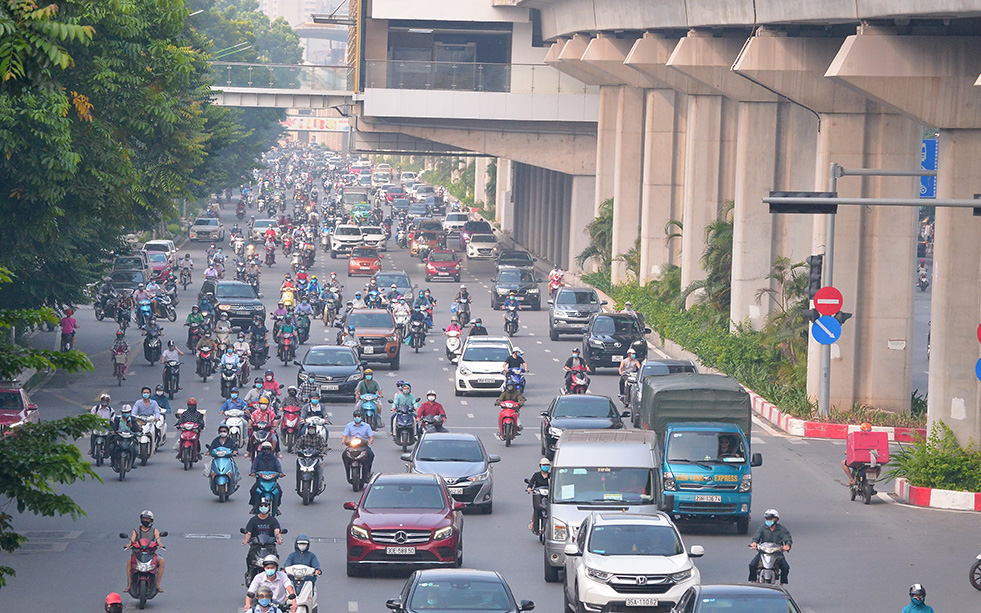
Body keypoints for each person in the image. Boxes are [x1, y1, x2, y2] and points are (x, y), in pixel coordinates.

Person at [125, 510, 165, 593]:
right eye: (144, 518)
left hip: (151, 553)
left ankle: (157, 584)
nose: (145, 520)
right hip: (138, 554)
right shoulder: (136, 530)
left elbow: (158, 540)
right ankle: (129, 584)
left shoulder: (155, 531)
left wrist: (160, 545)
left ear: (151, 521)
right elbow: (132, 540)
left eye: (147, 519)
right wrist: (129, 545)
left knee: (161, 561)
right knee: (129, 562)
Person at [748, 509, 792, 584]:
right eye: (767, 519)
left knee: (785, 567)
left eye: (770, 519)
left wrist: (787, 545)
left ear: (776, 519)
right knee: (752, 565)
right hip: (763, 553)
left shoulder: (782, 529)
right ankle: (753, 582)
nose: (768, 520)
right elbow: (756, 537)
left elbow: (788, 539)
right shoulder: (762, 528)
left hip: (777, 554)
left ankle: (782, 584)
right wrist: (754, 543)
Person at [242, 505, 283, 569]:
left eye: (266, 506)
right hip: (256, 546)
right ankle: (249, 572)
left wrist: (279, 538)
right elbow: (248, 533)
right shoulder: (253, 520)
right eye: (261, 505)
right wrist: (245, 540)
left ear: (269, 507)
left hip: (269, 546)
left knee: (275, 557)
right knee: (249, 557)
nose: (264, 507)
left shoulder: (273, 520)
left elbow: (277, 531)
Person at [249, 441, 285, 510]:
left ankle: (276, 507)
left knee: (279, 491)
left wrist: (280, 473)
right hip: (260, 481)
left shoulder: (274, 458)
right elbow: (254, 467)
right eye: (265, 449)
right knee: (253, 490)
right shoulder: (258, 458)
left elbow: (278, 466)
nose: (266, 451)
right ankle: (254, 506)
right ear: (262, 450)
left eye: (268, 449)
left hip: (272, 481)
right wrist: (253, 472)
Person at [341, 410, 375, 475]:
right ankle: (347, 469)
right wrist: (343, 440)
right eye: (355, 416)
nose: (357, 417)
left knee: (371, 455)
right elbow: (345, 435)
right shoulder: (349, 425)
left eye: (358, 416)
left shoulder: (367, 426)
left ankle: (368, 471)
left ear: (361, 417)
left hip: (363, 445)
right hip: (352, 445)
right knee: (344, 455)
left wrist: (370, 441)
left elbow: (371, 437)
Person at [525, 458, 551, 533]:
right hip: (538, 494)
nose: (545, 466)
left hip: (548, 494)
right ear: (540, 466)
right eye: (544, 465)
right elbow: (531, 483)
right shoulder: (536, 475)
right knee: (536, 508)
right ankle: (533, 522)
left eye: (547, 465)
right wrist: (529, 488)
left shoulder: (551, 475)